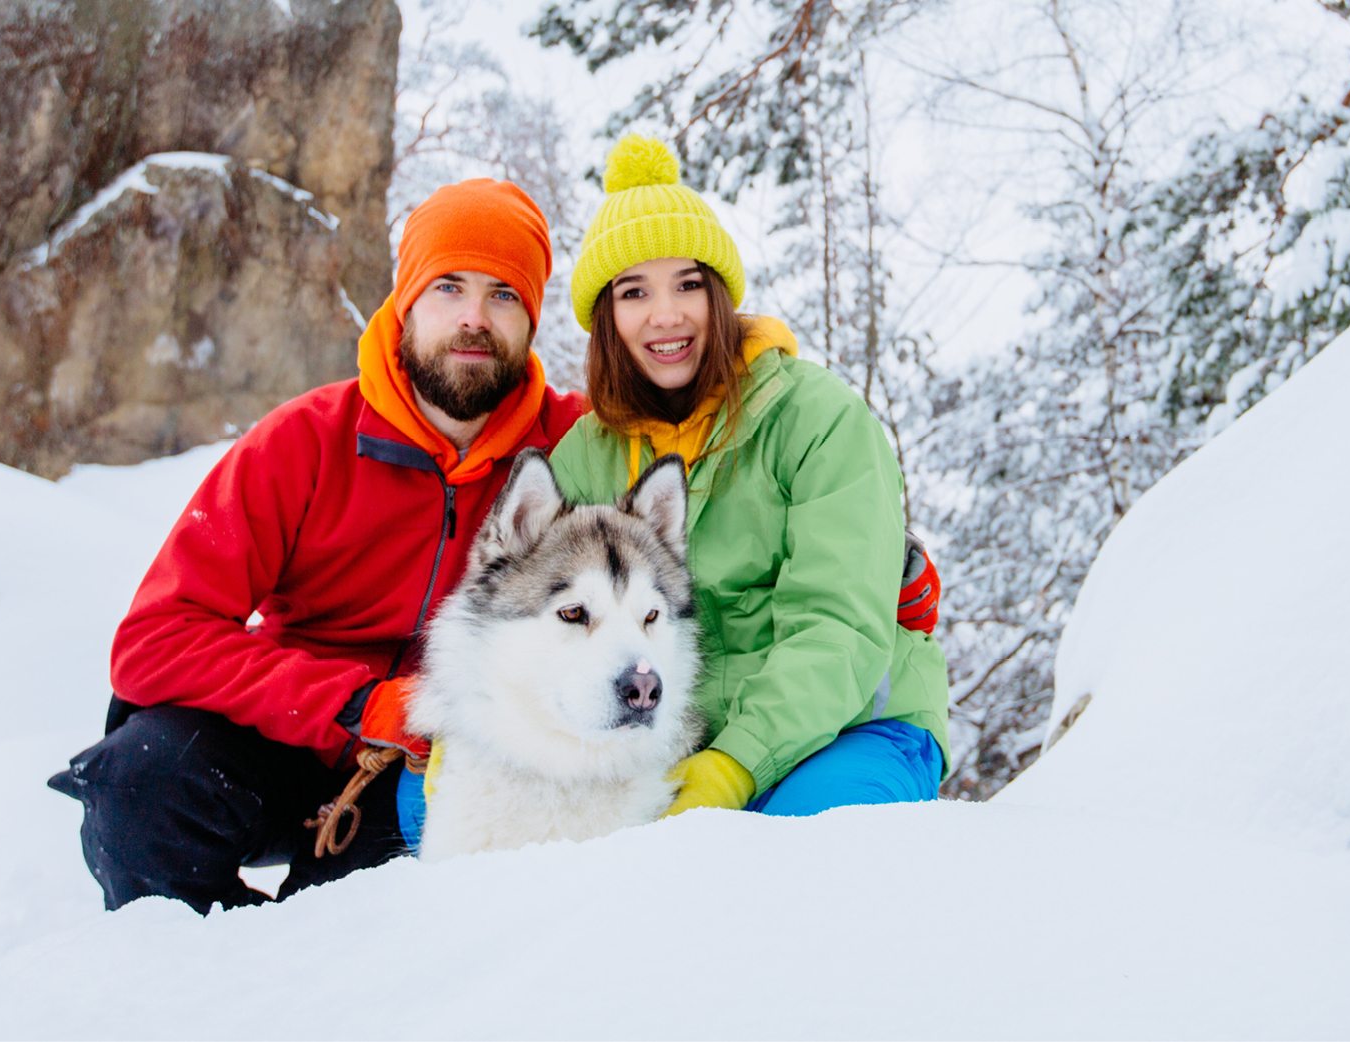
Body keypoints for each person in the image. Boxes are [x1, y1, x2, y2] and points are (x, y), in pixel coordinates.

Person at [47, 180, 588, 913]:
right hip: (287, 742)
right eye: (448, 286)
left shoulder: (574, 447)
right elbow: (154, 642)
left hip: (443, 768)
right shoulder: (303, 442)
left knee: (351, 932)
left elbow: (696, 420)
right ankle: (192, 982)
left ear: (531, 318)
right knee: (142, 778)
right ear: (403, 303)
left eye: (503, 295)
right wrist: (355, 702)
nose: (473, 318)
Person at [544, 135, 951, 817]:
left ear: (720, 297)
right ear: (606, 318)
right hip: (670, 738)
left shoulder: (816, 420)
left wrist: (735, 765)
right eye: (634, 291)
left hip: (853, 726)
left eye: (688, 285)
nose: (665, 314)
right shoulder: (586, 458)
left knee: (800, 850)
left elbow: (839, 624)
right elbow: (537, 622)